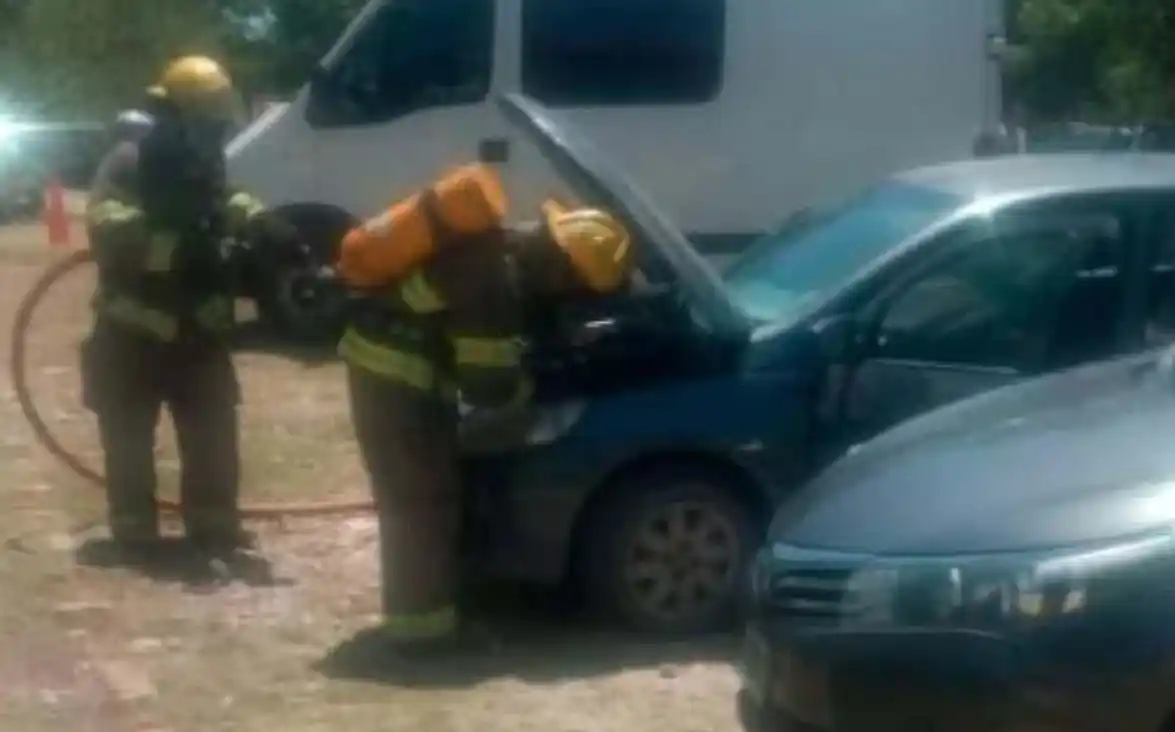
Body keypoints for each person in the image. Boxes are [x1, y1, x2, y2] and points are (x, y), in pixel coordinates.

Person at [334, 165, 633, 652]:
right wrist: (533, 392)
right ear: (562, 265)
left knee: (428, 498)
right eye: (576, 283)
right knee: (420, 505)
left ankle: (437, 610)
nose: (571, 295)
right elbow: (488, 386)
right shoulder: (494, 285)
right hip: (394, 377)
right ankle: (421, 637)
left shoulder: (500, 251)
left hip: (399, 369)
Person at [82, 55, 295, 557]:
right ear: (176, 117)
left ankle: (213, 527)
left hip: (198, 329)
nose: (215, 134)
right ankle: (134, 532)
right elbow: (107, 230)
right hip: (133, 331)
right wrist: (179, 254)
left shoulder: (204, 162)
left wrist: (262, 225)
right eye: (208, 123)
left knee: (213, 434)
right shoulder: (128, 162)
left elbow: (224, 201)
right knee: (129, 440)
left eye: (219, 125)